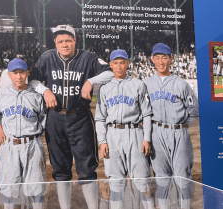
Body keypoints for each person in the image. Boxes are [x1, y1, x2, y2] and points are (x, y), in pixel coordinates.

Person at [28, 24, 113, 209]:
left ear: (75, 41)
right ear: (55, 43)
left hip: (80, 117)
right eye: (60, 41)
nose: (64, 44)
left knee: (87, 166)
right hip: (55, 118)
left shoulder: (88, 57)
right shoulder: (47, 57)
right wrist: (45, 90)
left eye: (68, 40)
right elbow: (32, 80)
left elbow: (109, 72)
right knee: (60, 168)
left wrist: (91, 80)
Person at [95, 49, 154, 209]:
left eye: (122, 62)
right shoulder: (105, 89)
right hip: (112, 134)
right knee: (115, 183)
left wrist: (146, 138)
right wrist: (102, 141)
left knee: (143, 180)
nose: (119, 66)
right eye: (116, 63)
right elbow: (100, 118)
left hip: (135, 133)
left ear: (128, 64)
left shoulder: (139, 85)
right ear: (111, 65)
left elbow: (147, 114)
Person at [143, 43, 199, 208]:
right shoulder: (146, 83)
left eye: (165, 57)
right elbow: (143, 111)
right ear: (153, 60)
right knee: (161, 177)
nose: (161, 61)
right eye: (158, 57)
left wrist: (181, 127)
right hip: (156, 132)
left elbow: (193, 110)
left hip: (178, 133)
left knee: (183, 177)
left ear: (171, 59)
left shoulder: (181, 84)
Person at [0, 58, 46, 209]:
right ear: (9, 75)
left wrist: (35, 135)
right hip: (9, 146)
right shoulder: (1, 94)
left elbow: (44, 117)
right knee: (9, 188)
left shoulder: (36, 95)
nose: (18, 76)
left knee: (36, 187)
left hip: (32, 145)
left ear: (27, 73)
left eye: (22, 72)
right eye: (15, 73)